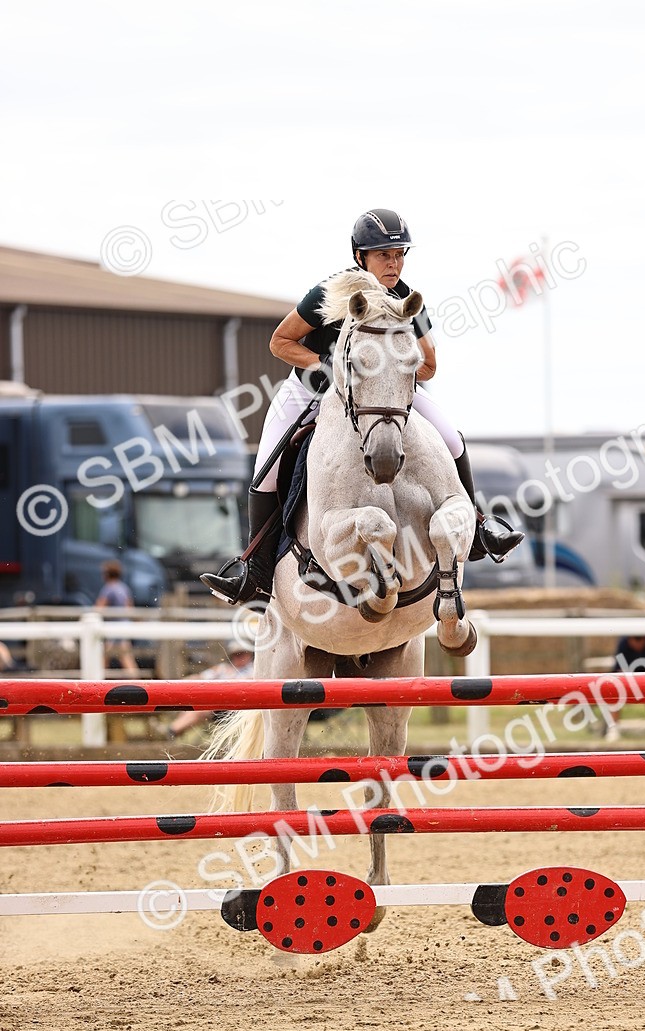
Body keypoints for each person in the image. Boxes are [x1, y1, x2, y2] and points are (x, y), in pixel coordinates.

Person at [202, 207, 524, 605]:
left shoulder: (409, 301)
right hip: (312, 387)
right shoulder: (329, 294)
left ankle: (478, 527)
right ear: (360, 256)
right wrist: (328, 367)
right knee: (266, 468)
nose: (394, 264)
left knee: (451, 438)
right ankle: (255, 570)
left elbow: (429, 366)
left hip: (383, 393)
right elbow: (280, 342)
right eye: (384, 255)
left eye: (399, 254)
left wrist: (390, 376)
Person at [167, 643, 255, 737]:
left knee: (202, 709)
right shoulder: (223, 668)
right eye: (237, 654)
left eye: (242, 654)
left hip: (240, 708)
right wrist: (176, 685)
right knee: (196, 706)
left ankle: (172, 731)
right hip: (219, 706)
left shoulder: (253, 670)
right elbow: (200, 677)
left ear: (249, 655)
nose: (239, 657)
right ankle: (173, 731)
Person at [605, 634, 645, 742]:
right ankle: (613, 727)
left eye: (641, 641)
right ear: (629, 640)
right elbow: (617, 671)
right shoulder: (623, 643)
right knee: (613, 692)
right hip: (627, 684)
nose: (638, 645)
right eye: (635, 641)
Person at [95, 560, 138, 677]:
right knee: (124, 656)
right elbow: (129, 607)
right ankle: (137, 681)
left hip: (114, 627)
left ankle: (97, 681)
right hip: (124, 625)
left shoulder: (108, 588)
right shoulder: (124, 588)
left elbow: (99, 607)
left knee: (107, 656)